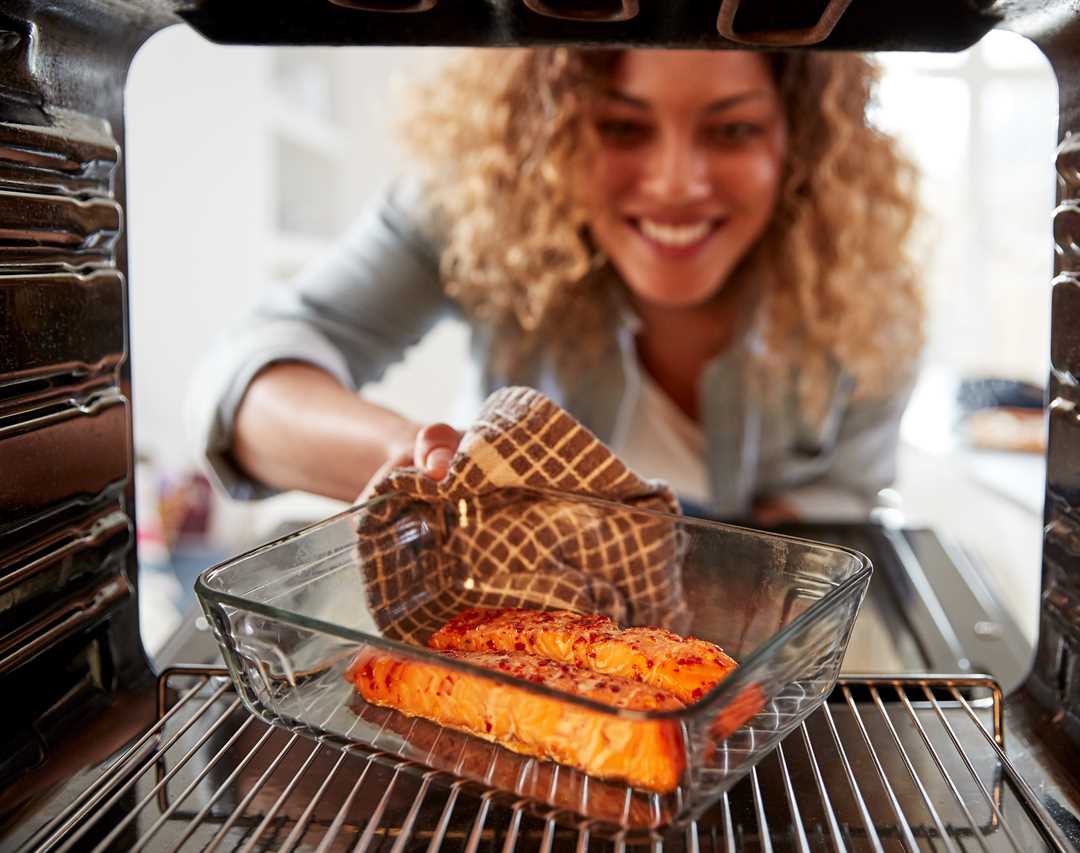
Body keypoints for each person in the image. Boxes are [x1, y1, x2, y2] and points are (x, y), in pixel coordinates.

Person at [187, 48, 922, 522]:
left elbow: (839, 519)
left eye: (731, 132)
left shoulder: (860, 295)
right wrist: (426, 465)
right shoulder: (476, 210)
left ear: (798, 143)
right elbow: (242, 382)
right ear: (551, 133)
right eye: (622, 128)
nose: (675, 184)